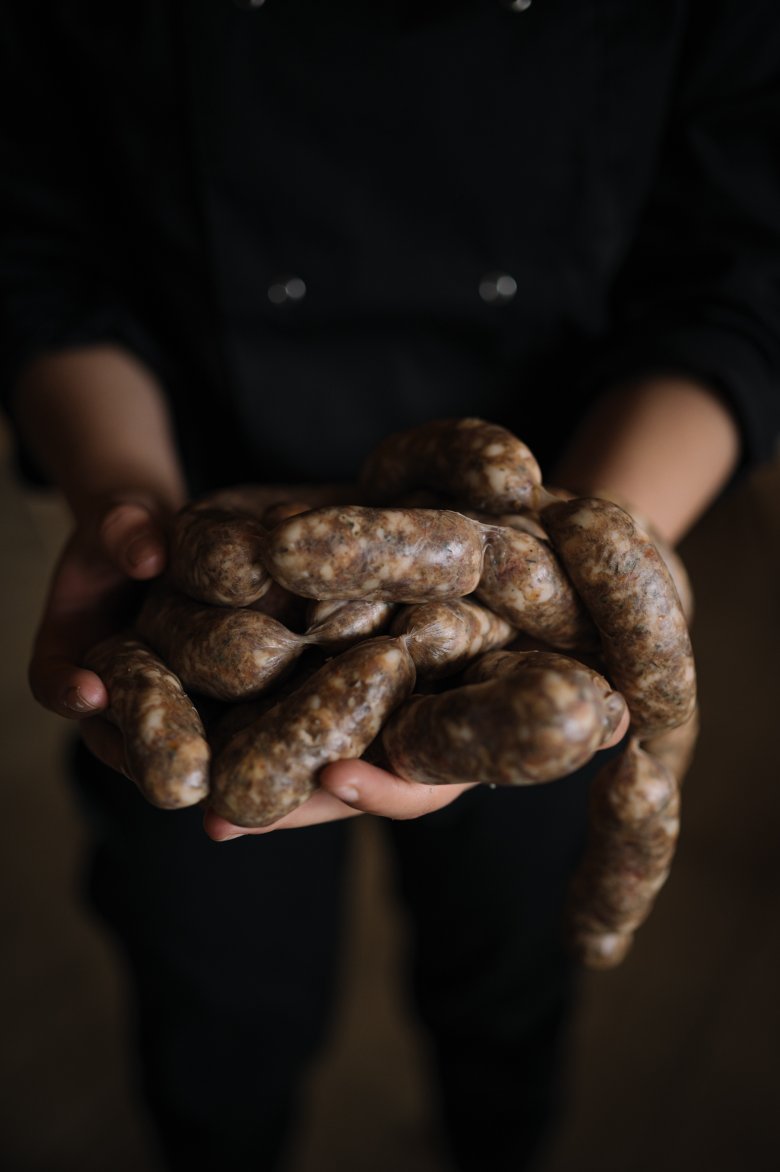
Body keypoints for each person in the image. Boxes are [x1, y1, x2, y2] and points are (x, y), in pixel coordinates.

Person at [3, 2, 780, 1169]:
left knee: (508, 972)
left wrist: (601, 550)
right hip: (192, 519)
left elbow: (746, 254)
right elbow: (31, 220)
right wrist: (120, 489)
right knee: (216, 996)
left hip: (535, 608)